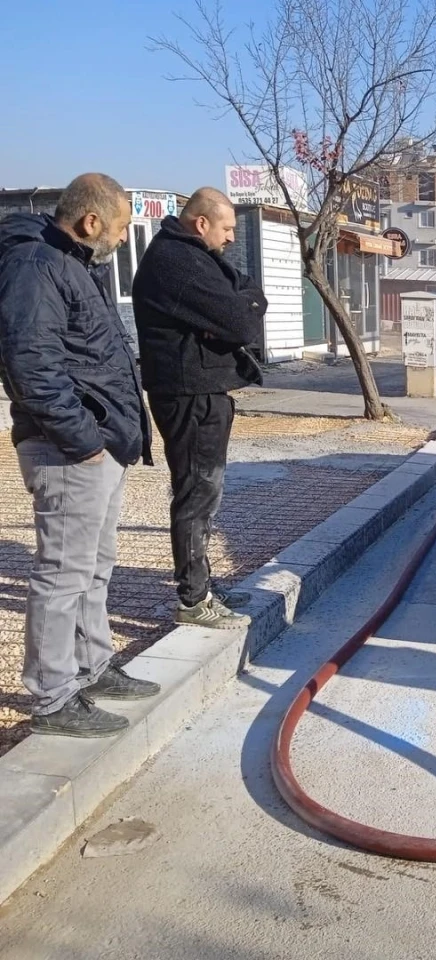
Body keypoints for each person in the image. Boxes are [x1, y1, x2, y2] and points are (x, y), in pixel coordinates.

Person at [0, 174, 160, 738]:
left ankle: (93, 667)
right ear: (91, 222)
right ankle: (52, 694)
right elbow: (31, 365)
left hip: (99, 443)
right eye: (119, 228)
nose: (121, 238)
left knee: (95, 564)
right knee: (63, 572)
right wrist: (84, 439)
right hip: (68, 449)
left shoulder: (72, 263)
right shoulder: (35, 265)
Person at [132, 187, 267, 629]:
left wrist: (237, 310)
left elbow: (251, 297)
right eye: (226, 228)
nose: (231, 238)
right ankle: (193, 600)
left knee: (205, 492)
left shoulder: (199, 257)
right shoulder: (176, 261)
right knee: (197, 492)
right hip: (188, 394)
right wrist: (234, 316)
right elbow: (242, 321)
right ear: (201, 222)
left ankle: (202, 585)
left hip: (202, 390)